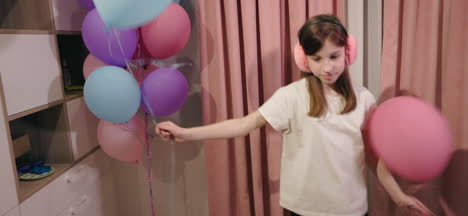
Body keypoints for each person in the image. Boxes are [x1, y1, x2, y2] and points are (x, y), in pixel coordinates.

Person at [155, 14, 434, 216]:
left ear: (348, 54)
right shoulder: (291, 96)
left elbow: (375, 158)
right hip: (303, 209)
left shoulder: (364, 99)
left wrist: (399, 197)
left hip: (350, 209)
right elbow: (245, 124)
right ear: (304, 59)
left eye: (334, 57)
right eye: (317, 58)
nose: (327, 67)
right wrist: (186, 133)